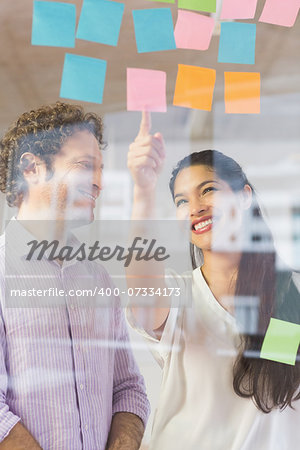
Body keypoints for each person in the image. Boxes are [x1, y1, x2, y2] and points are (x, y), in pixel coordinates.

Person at [126, 112, 300, 450]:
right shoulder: (180, 296)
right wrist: (143, 189)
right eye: (181, 201)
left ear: (245, 196)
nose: (195, 208)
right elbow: (145, 298)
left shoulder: (289, 292)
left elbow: (275, 399)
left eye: (208, 190)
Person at [0, 102, 150, 449]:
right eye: (85, 167)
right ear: (32, 168)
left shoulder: (98, 279)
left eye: (100, 170)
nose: (98, 182)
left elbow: (128, 390)